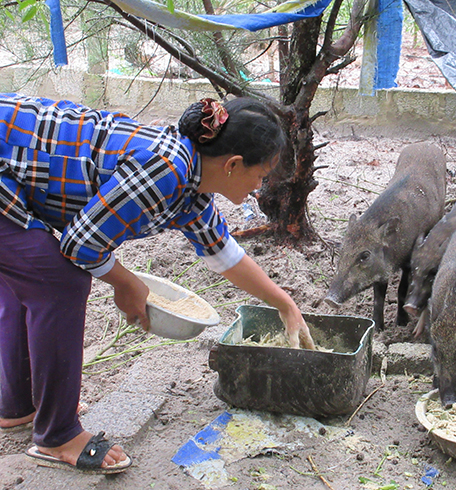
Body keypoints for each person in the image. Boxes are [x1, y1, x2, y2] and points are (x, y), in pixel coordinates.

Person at [0, 93, 315, 474]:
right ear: (232, 165)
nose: (258, 188)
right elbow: (80, 244)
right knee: (58, 281)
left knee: (32, 269)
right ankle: (58, 436)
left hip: (13, 171)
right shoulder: (165, 170)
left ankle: (17, 404)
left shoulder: (192, 186)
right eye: (260, 176)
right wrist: (126, 284)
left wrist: (285, 304)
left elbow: (224, 254)